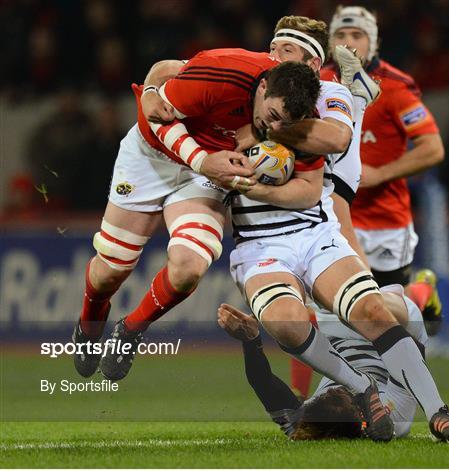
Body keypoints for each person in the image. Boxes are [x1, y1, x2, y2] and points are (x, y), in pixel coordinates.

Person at [225, 22, 449, 443]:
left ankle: (357, 96)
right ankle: (429, 379)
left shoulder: (315, 95)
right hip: (294, 238)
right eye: (272, 47)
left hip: (307, 230)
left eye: (285, 48)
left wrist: (258, 134)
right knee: (376, 305)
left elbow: (333, 141)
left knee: (333, 205)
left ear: (311, 63)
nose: (274, 54)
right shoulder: (391, 421)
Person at [72, 48, 321, 382]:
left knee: (189, 267)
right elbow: (157, 114)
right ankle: (88, 327)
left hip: (205, 175)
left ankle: (130, 331)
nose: (273, 126)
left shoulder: (301, 109)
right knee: (110, 270)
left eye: (284, 124)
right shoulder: (224, 72)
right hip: (151, 157)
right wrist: (201, 157)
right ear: (263, 88)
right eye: (272, 114)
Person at [217, 286, 449, 443]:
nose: (344, 387)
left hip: (336, 337)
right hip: (399, 336)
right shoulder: (397, 416)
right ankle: (422, 290)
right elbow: (411, 351)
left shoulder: (307, 423)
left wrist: (251, 341)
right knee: (373, 303)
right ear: (365, 416)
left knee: (325, 300)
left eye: (332, 390)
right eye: (349, 394)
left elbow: (262, 383)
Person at [322, 5, 445, 324]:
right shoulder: (317, 81)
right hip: (332, 214)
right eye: (341, 34)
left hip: (384, 221)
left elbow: (433, 148)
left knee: (392, 315)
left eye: (357, 35)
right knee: (327, 311)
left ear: (373, 43)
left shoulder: (395, 88)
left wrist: (379, 174)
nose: (348, 42)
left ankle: (421, 292)